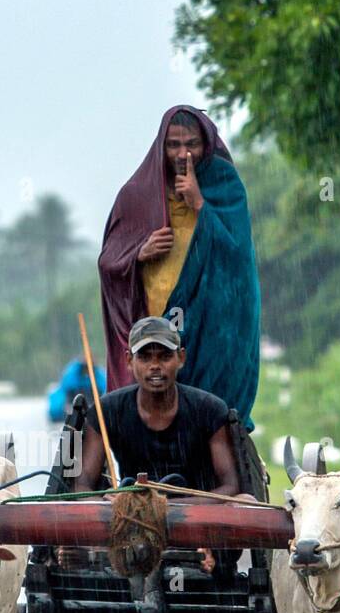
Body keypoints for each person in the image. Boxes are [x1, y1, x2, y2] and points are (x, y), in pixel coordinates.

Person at [98, 104, 260, 429]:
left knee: (208, 410)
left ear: (206, 144)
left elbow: (238, 257)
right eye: (173, 144)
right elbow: (109, 262)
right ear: (162, 145)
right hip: (154, 323)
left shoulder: (225, 186)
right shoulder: (136, 194)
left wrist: (200, 204)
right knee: (146, 408)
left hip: (209, 327)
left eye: (192, 144)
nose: (183, 153)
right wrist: (138, 253)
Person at [75, 317, 245, 496]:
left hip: (198, 516)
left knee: (246, 499)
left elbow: (231, 487)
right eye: (145, 357)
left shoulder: (210, 410)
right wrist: (107, 502)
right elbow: (81, 485)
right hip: (132, 514)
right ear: (129, 361)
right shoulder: (106, 412)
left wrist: (165, 508)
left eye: (164, 356)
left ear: (181, 358)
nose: (155, 366)